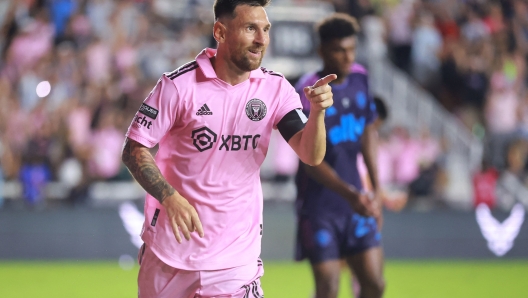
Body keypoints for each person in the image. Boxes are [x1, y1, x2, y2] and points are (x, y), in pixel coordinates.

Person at [121, 1, 337, 297]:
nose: (261, 39)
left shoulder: (275, 90)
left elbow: (311, 154)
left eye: (265, 29)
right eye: (250, 28)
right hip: (169, 254)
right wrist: (169, 198)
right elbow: (134, 148)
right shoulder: (178, 86)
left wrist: (318, 114)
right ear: (220, 32)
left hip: (234, 261)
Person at [294, 13, 384, 298]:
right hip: (319, 207)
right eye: (338, 50)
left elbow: (368, 131)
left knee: (374, 284)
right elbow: (309, 160)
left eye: (351, 49)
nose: (347, 57)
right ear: (322, 51)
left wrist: (377, 188)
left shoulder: (361, 78)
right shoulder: (307, 91)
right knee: (329, 288)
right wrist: (351, 195)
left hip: (357, 199)